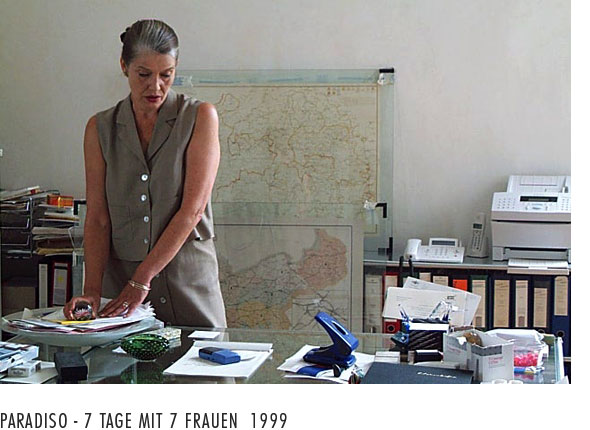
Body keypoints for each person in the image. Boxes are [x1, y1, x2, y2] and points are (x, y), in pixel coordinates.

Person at [64, 19, 227, 327]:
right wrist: (92, 292)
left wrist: (141, 280)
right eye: (144, 74)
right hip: (120, 293)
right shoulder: (99, 128)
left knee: (204, 358)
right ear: (124, 66)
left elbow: (192, 211)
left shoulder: (199, 117)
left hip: (188, 286)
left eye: (166, 74)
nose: (155, 86)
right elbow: (98, 218)